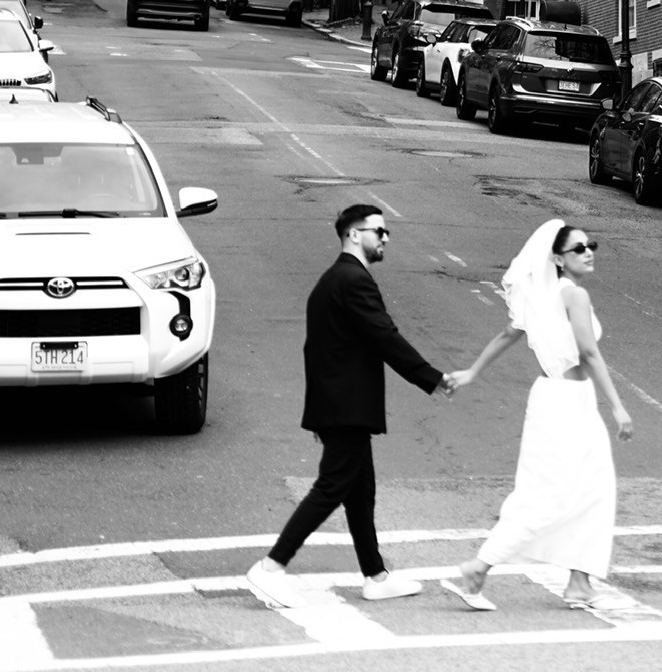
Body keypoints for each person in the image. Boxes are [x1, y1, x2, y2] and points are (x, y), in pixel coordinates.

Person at [247, 205, 451, 606]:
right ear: (355, 235)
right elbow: (384, 336)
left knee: (361, 491)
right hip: (345, 405)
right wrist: (432, 377)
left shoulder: (334, 280)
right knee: (332, 486)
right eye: (379, 231)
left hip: (338, 403)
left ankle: (375, 576)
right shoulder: (353, 280)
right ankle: (271, 566)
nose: (386, 238)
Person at [440, 221, 633, 612]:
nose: (588, 252)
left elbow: (507, 335)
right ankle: (479, 566)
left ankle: (579, 582)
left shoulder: (541, 294)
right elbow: (589, 354)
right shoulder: (573, 296)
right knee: (549, 495)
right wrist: (617, 405)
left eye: (590, 245)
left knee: (592, 488)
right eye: (579, 248)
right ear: (558, 258)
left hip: (553, 396)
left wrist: (473, 372)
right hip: (569, 401)